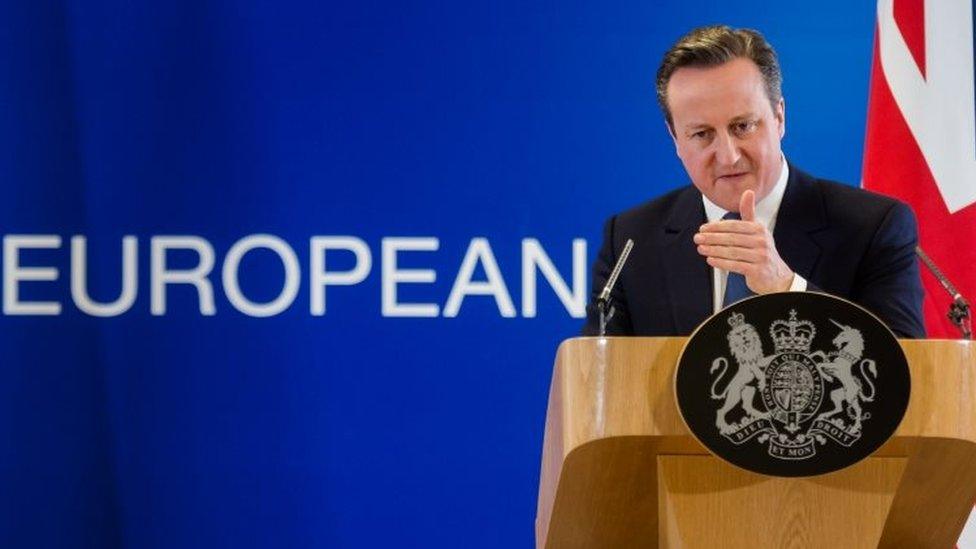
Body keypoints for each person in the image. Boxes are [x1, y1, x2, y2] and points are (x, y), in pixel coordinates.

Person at [582, 25, 925, 338]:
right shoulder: (631, 239)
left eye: (742, 126)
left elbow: (902, 367)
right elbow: (598, 380)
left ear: (779, 118)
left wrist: (787, 286)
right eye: (702, 134)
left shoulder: (873, 227)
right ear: (675, 138)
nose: (728, 155)